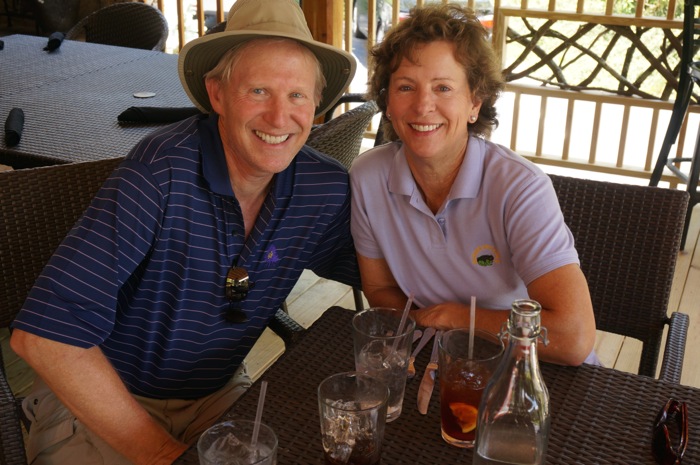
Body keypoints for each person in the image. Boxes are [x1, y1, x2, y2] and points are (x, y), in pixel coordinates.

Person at [10, 0, 358, 464]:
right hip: (101, 401)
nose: (279, 117)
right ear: (217, 94)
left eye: (297, 95)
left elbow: (381, 277)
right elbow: (43, 337)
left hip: (217, 395)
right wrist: (164, 456)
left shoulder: (322, 186)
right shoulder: (160, 172)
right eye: (257, 90)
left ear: (317, 103)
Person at [350, 3, 597, 366]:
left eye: (443, 88)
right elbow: (380, 288)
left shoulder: (519, 187)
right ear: (387, 102)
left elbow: (572, 338)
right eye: (405, 87)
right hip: (441, 359)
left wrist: (457, 319)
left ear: (475, 104)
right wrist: (427, 332)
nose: (423, 106)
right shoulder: (368, 176)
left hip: (535, 369)